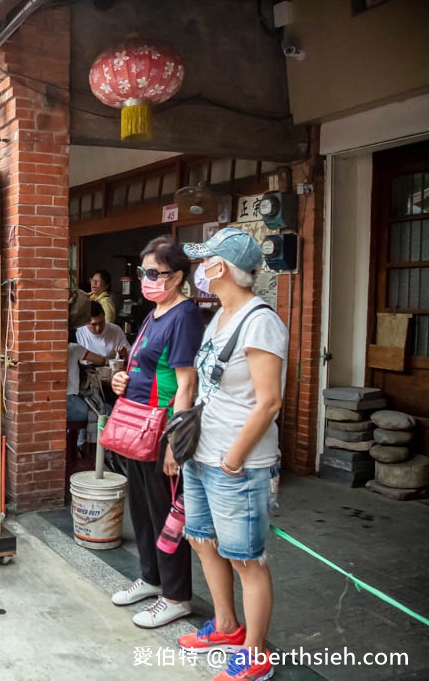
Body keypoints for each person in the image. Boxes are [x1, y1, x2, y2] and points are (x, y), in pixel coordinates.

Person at [177, 228, 287, 681]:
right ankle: (225, 625)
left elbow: (269, 402)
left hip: (235, 463)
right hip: (204, 454)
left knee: (246, 558)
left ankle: (255, 651)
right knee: (202, 540)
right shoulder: (221, 315)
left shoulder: (260, 321)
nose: (200, 269)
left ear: (219, 268)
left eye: (204, 261)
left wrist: (234, 459)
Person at [109, 235, 203, 628]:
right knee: (143, 511)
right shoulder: (155, 313)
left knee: (166, 513)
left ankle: (177, 595)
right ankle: (151, 577)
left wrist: (175, 445)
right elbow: (145, 367)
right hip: (136, 422)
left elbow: (186, 383)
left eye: (154, 272)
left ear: (177, 276)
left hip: (162, 426)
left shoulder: (184, 316)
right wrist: (120, 379)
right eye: (142, 272)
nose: (146, 279)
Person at [75, 301, 129, 365]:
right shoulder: (78, 333)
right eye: (93, 324)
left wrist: (124, 353)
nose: (98, 328)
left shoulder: (116, 330)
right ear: (85, 321)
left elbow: (130, 355)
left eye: (101, 322)